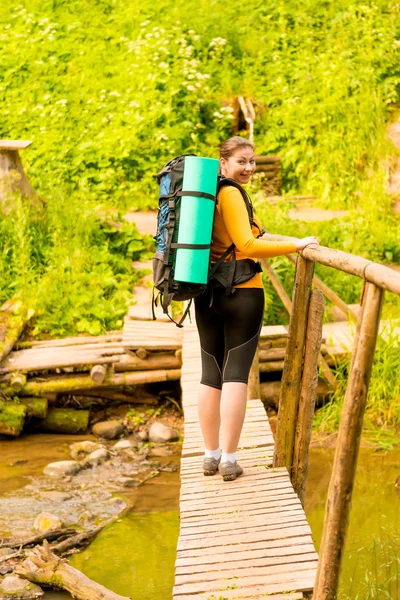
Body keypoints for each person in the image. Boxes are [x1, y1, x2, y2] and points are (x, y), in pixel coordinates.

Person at [194, 136, 319, 482]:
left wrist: (288, 239)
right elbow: (247, 245)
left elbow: (250, 234)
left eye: (252, 161)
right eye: (241, 161)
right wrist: (296, 245)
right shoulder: (231, 193)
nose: (248, 168)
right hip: (242, 294)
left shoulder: (209, 194)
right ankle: (229, 460)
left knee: (210, 373)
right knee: (234, 375)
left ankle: (210, 455)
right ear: (223, 163)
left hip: (207, 293)